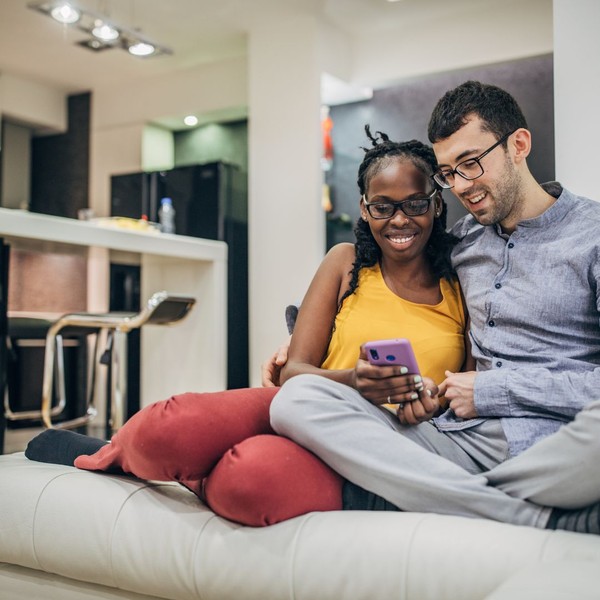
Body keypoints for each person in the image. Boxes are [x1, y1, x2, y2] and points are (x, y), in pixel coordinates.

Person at [25, 129, 467, 526]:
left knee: (247, 481)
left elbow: (461, 394)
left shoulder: (463, 287)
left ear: (436, 202)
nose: (400, 220)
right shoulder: (345, 263)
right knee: (168, 425)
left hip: (385, 443)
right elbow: (294, 372)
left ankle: (175, 473)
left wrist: (430, 403)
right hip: (307, 409)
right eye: (383, 207)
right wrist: (354, 380)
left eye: (415, 204)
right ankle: (110, 453)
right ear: (366, 210)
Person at [269, 80, 600, 534]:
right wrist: (295, 348)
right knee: (298, 400)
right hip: (462, 441)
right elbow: (384, 273)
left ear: (518, 145)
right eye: (448, 172)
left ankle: (431, 493)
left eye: (470, 163)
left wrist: (492, 390)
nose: (462, 186)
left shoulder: (593, 237)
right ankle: (529, 516)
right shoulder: (460, 246)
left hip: (564, 443)